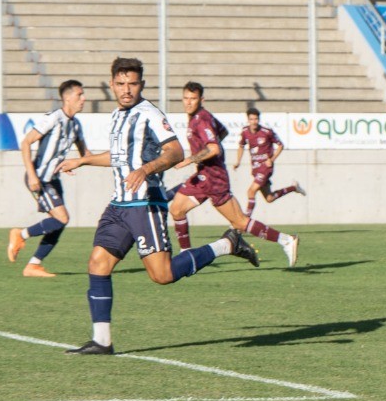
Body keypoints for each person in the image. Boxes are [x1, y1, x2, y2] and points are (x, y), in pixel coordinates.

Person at [58, 59, 261, 355]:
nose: (127, 90)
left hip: (145, 204)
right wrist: (84, 160)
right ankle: (102, 340)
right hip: (119, 205)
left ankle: (227, 244)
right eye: (121, 83)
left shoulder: (149, 114)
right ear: (112, 84)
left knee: (162, 275)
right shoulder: (116, 116)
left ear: (142, 85)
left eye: (133, 84)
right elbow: (119, 156)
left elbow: (175, 150)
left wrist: (147, 168)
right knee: (98, 264)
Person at [168, 84, 299, 266]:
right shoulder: (201, 118)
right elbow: (223, 132)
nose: (188, 102)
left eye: (193, 99)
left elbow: (213, 148)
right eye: (186, 98)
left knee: (239, 222)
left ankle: (286, 240)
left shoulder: (201, 120)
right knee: (176, 209)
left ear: (201, 100)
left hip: (214, 179)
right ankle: (186, 254)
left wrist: (191, 159)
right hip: (202, 176)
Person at [7, 79, 88, 278]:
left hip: (53, 179)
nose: (83, 99)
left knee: (59, 222)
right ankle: (21, 234)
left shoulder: (76, 125)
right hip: (40, 178)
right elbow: (26, 142)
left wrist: (74, 163)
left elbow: (86, 154)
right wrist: (32, 174)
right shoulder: (54, 118)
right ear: (67, 97)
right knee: (62, 218)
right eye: (79, 95)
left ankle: (33, 265)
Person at [234, 107, 304, 216]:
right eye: (251, 119)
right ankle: (293, 188)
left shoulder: (266, 132)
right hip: (256, 168)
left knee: (251, 191)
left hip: (266, 168)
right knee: (269, 198)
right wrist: (238, 161)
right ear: (248, 120)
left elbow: (280, 145)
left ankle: (245, 220)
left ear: (259, 119)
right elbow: (241, 146)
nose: (254, 122)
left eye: (256, 119)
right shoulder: (245, 132)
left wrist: (271, 159)